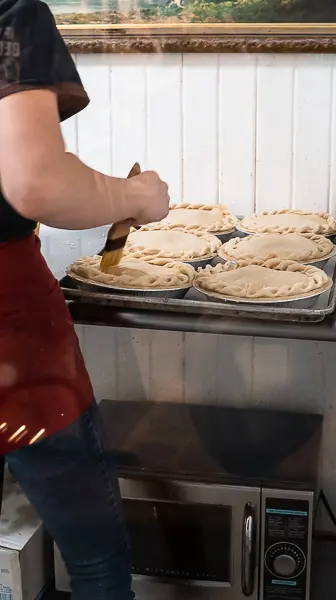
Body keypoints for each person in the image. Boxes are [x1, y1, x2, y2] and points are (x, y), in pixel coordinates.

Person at [0, 0, 170, 596]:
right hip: (11, 338)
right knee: (94, 553)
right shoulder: (10, 11)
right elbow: (37, 181)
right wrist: (138, 196)